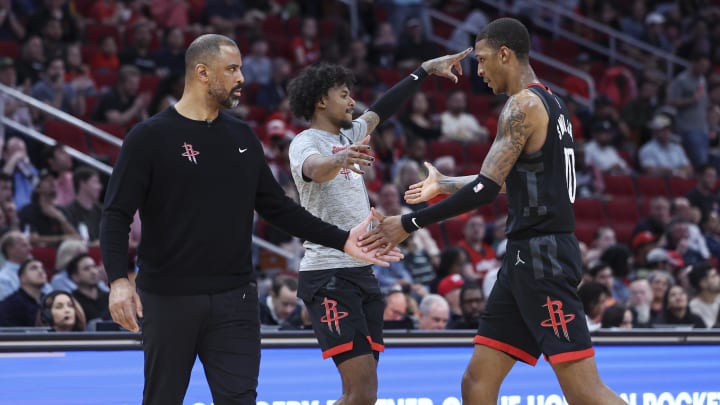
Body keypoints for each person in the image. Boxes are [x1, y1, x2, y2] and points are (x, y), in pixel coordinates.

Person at [98, 34, 402, 405]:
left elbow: (276, 207)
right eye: (232, 69)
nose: (241, 77)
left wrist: (342, 239)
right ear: (202, 73)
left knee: (241, 399)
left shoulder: (241, 135)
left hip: (236, 297)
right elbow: (116, 213)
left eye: (240, 68)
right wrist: (117, 281)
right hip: (168, 297)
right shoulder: (149, 137)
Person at [359, 18, 628, 404]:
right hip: (525, 258)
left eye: (483, 61)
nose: (479, 72)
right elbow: (506, 179)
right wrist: (445, 184)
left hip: (543, 257)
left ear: (505, 54)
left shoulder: (522, 105)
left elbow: (486, 189)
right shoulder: (552, 101)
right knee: (476, 382)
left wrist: (409, 222)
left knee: (584, 391)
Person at [286, 48, 470, 405]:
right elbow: (315, 168)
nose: (352, 101)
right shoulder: (305, 142)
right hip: (329, 276)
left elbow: (383, 109)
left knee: (365, 395)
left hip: (363, 271)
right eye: (344, 94)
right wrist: (339, 158)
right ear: (321, 101)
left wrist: (423, 71)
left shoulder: (351, 132)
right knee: (358, 393)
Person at [0, 259, 48, 327]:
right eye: (34, 268)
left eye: (42, 268)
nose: (41, 271)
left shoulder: (50, 301)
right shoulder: (10, 305)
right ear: (22, 277)